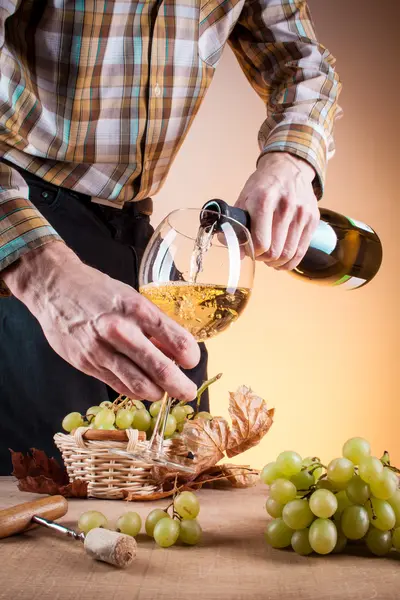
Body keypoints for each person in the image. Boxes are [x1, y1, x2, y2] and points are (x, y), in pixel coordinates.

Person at [0, 0, 341, 473]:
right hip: (23, 229)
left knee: (172, 478)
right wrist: (42, 277)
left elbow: (304, 65)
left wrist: (292, 159)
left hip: (135, 232)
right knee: (47, 490)